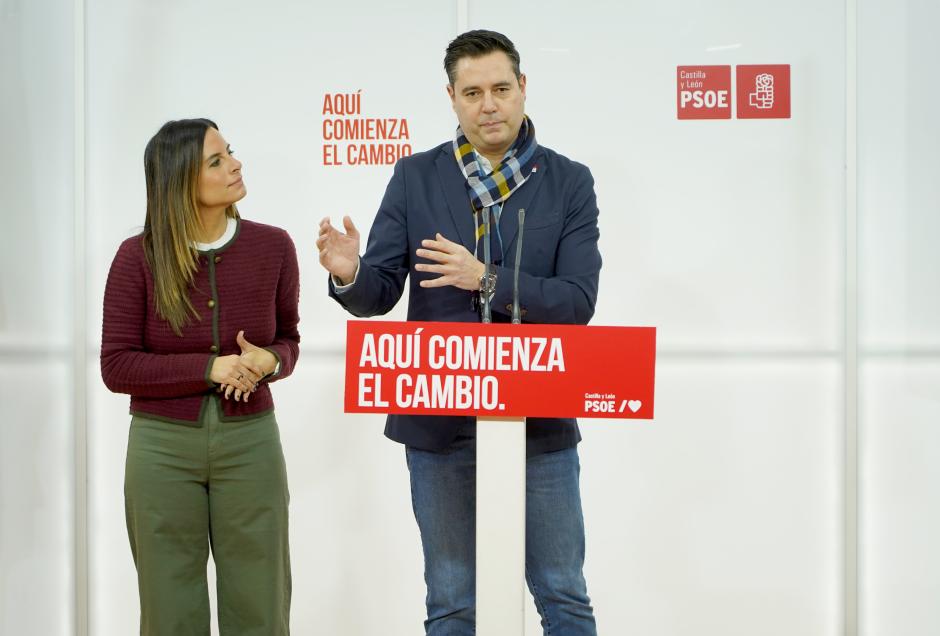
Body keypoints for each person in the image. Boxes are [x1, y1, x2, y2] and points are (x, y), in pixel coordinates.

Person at [317, 30, 600, 635]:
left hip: (540, 419)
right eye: (472, 93)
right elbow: (380, 292)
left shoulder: (569, 181)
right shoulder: (415, 176)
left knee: (563, 594)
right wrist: (349, 273)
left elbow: (577, 302)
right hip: (438, 419)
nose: (488, 105)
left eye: (501, 88)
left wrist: (486, 279)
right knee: (450, 600)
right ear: (452, 97)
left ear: (523, 87)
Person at [101, 118, 299, 635]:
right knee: (169, 610)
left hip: (251, 442)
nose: (235, 164)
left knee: (260, 605)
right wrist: (209, 368)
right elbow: (116, 365)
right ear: (180, 180)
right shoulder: (137, 258)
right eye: (216, 160)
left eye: (229, 151)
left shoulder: (274, 247)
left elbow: (289, 341)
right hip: (161, 449)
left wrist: (270, 361)